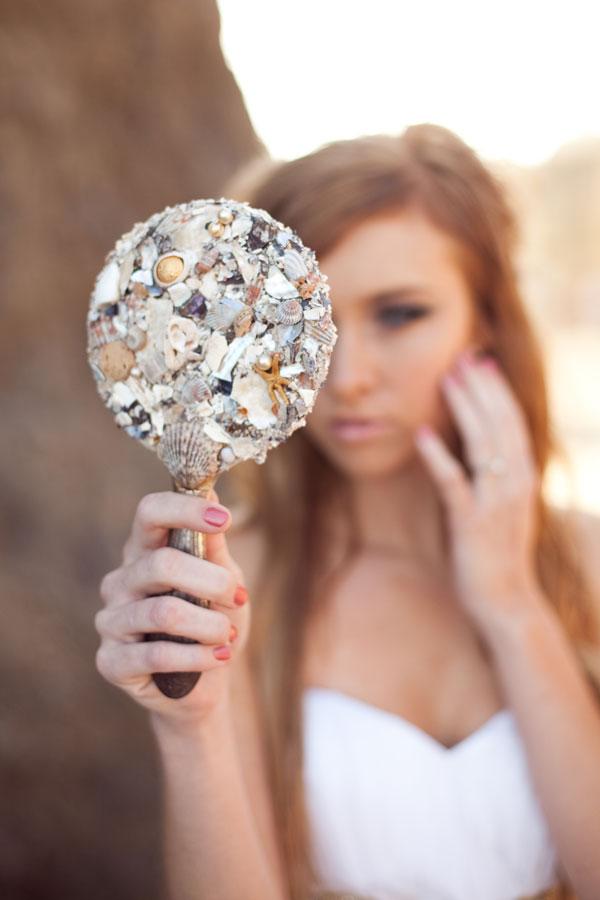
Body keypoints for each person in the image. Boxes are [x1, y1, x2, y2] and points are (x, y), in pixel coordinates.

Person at [93, 124, 600, 900]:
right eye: (307, 325)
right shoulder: (231, 583)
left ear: (485, 320)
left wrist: (512, 605)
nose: (349, 376)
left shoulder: (583, 560)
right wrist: (190, 732)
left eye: (399, 314)